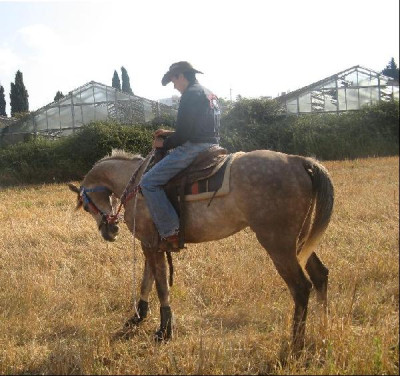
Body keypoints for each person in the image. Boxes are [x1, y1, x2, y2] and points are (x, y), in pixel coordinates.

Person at [140, 61, 221, 250]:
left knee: (148, 183)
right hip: (213, 144)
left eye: (173, 81)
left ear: (181, 76)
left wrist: (163, 143)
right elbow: (198, 127)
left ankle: (171, 231)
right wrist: (169, 133)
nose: (174, 87)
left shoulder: (189, 95)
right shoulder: (208, 93)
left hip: (195, 147)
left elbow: (185, 135)